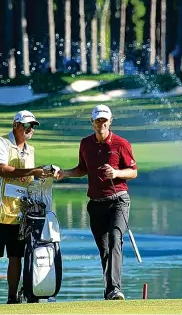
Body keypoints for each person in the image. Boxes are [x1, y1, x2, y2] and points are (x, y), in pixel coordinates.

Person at [57, 104, 138, 300]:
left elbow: (133, 171)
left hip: (119, 200)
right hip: (95, 203)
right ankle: (109, 291)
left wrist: (117, 172)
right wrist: (64, 173)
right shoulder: (85, 143)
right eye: (98, 120)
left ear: (110, 121)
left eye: (104, 120)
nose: (101, 124)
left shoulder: (121, 143)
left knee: (114, 239)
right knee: (104, 249)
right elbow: (82, 168)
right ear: (92, 122)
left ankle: (115, 289)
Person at [0, 110, 54, 305]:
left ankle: (12, 299)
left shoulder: (30, 150)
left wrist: (45, 173)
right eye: (26, 125)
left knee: (16, 254)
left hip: (18, 207)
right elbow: (3, 171)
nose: (29, 130)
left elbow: (26, 178)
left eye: (32, 126)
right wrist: (32, 171)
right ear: (15, 126)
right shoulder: (0, 143)